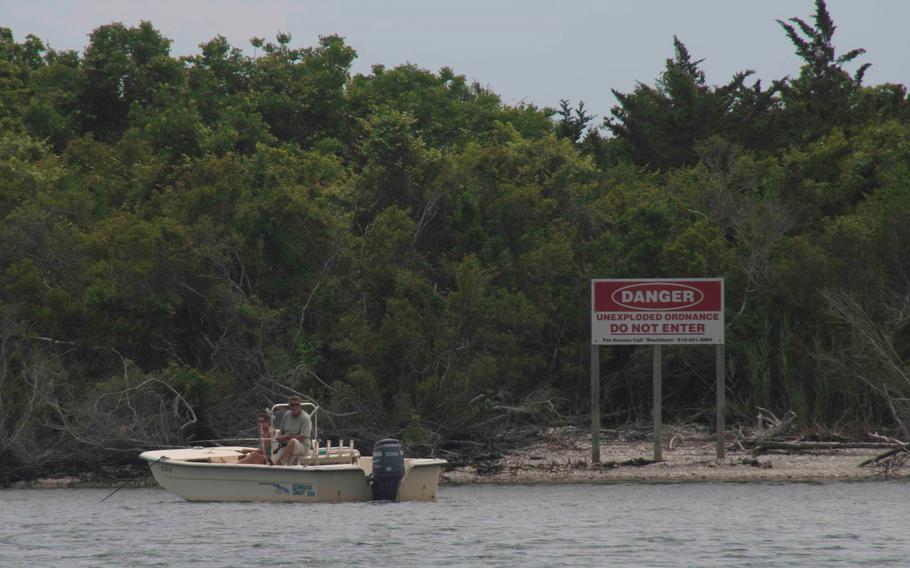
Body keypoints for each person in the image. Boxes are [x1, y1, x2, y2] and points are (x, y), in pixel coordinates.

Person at [272, 395, 313, 465]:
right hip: (285, 444)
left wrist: (287, 437)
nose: (295, 407)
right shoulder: (286, 415)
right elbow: (281, 430)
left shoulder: (306, 417)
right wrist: (279, 437)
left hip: (302, 446)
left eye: (297, 404)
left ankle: (280, 463)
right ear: (289, 406)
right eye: (292, 405)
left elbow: (303, 437)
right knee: (273, 451)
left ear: (300, 405)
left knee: (293, 441)